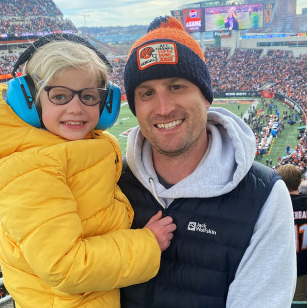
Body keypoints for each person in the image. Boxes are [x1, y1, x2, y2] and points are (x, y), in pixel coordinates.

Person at [0, 33, 176, 308]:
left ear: (105, 104)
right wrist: (148, 244)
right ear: (30, 102)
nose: (76, 108)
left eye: (88, 96)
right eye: (59, 95)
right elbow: (65, 266)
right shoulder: (30, 169)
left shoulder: (76, 149)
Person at [118, 16, 296, 308]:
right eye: (147, 93)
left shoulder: (264, 195)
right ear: (135, 108)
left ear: (206, 96)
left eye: (176, 86)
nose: (163, 108)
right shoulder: (112, 181)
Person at [277, 164, 307, 301]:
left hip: (277, 264)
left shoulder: (272, 206)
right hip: (302, 266)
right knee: (298, 302)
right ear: (299, 182)